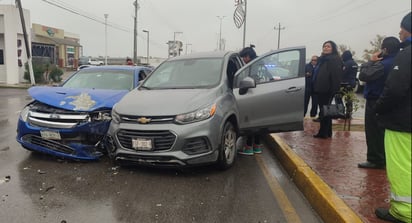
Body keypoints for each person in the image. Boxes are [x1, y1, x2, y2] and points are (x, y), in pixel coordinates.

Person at [374, 12, 411, 223]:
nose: (400, 32)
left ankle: (403, 212)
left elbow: (395, 89)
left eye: (402, 28)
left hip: (402, 124)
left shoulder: (406, 54)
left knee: (402, 167)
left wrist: (379, 107)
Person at [358, 37, 400, 170]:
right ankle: (384, 157)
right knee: (384, 131)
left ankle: (375, 159)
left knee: (373, 131)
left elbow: (364, 75)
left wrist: (370, 61)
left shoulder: (382, 64)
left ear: (385, 49)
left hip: (375, 99)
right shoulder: (399, 61)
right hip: (390, 100)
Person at [312, 40, 343, 139]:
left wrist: (334, 90)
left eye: (328, 46)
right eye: (324, 46)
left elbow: (336, 76)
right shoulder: (323, 59)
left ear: (333, 48)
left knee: (324, 111)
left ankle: (323, 133)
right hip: (320, 88)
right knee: (326, 111)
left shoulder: (334, 59)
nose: (326, 48)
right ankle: (327, 132)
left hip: (327, 89)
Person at [237, 45, 263, 155]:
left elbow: (249, 82)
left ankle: (248, 148)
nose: (243, 60)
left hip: (253, 97)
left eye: (244, 58)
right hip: (262, 95)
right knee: (258, 123)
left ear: (248, 56)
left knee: (251, 123)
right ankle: (257, 146)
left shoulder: (252, 66)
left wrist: (241, 91)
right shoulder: (260, 62)